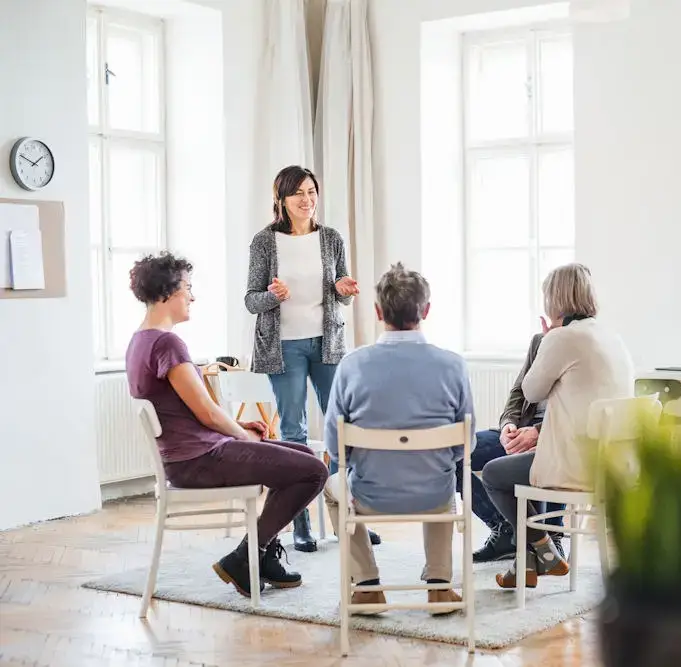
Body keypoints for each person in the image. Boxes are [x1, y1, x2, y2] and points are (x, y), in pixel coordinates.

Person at [125, 252, 329, 598]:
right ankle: (247, 556)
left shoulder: (140, 340)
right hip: (198, 459)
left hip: (193, 454)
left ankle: (258, 556)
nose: (192, 296)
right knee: (313, 471)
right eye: (187, 288)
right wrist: (244, 436)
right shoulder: (167, 343)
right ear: (167, 292)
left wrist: (238, 428)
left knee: (302, 453)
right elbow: (205, 411)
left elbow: (192, 412)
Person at [323, 263, 472, 614]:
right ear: (427, 311)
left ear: (378, 312)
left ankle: (368, 586)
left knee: (330, 488)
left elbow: (333, 446)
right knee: (445, 479)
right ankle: (439, 589)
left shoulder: (351, 365)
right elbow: (465, 444)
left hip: (369, 496)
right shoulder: (453, 365)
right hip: (433, 495)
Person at [245, 165, 379, 552]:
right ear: (281, 200)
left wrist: (344, 289)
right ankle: (299, 523)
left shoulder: (332, 238)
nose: (307, 199)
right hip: (283, 345)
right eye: (298, 193)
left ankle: (348, 519)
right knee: (293, 434)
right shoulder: (264, 243)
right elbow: (252, 298)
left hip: (328, 344)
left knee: (341, 428)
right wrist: (273, 296)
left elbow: (344, 292)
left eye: (311, 191)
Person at [482, 263, 634, 589]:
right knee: (505, 464)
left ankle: (544, 549)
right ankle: (525, 565)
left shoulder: (561, 338)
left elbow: (531, 391)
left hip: (572, 464)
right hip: (610, 465)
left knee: (495, 475)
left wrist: (550, 340)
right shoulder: (612, 338)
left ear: (554, 298)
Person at [456, 334, 566, 563]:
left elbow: (576, 415)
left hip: (554, 437)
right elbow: (517, 393)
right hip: (520, 430)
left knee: (550, 454)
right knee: (455, 453)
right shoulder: (540, 341)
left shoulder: (580, 345)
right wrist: (508, 426)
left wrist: (538, 432)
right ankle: (504, 528)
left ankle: (550, 534)